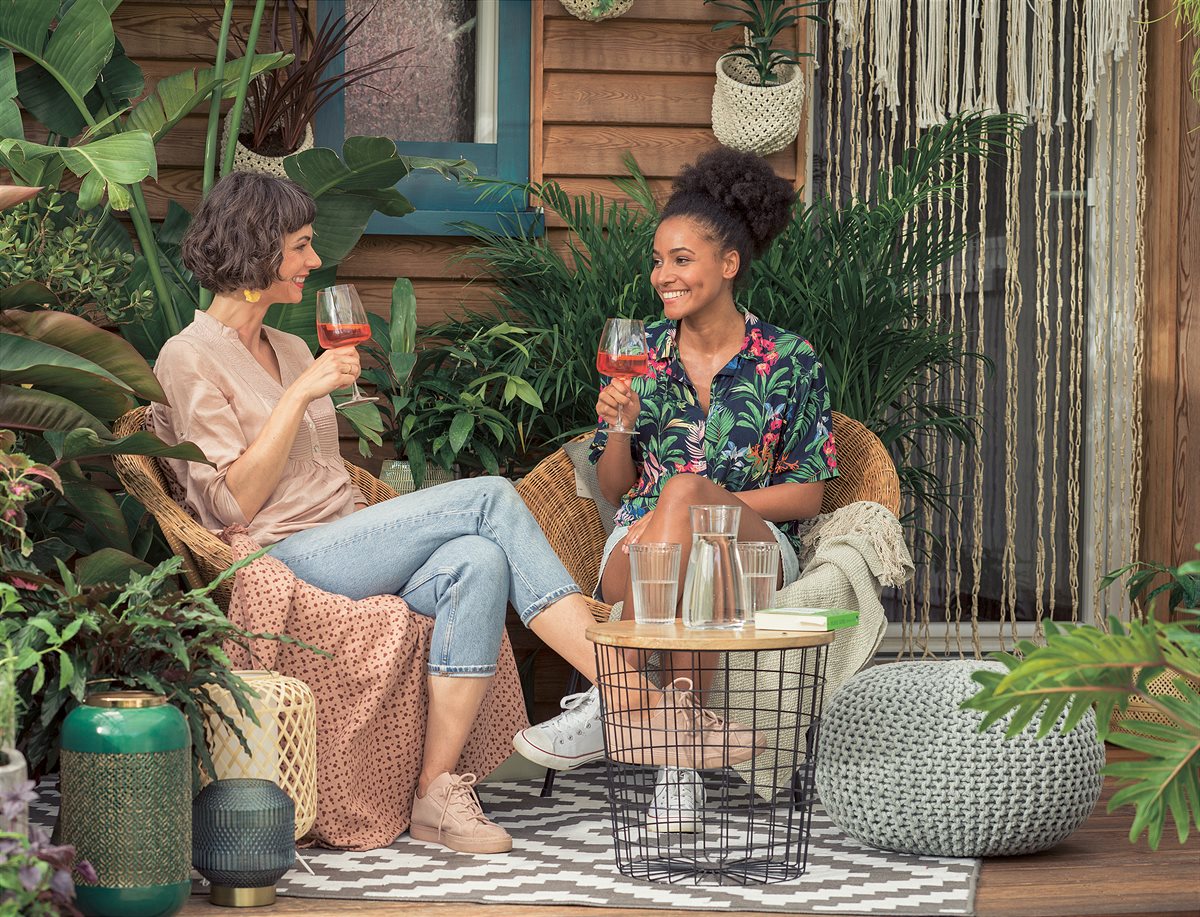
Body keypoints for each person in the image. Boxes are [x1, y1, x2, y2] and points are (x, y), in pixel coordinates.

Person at [154, 172, 753, 854]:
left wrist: (312, 387)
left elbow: (325, 477)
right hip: (278, 556)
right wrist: (303, 394)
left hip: (345, 541)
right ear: (257, 248)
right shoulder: (189, 355)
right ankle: (635, 696)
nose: (314, 261)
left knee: (479, 558)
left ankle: (437, 793)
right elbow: (231, 501)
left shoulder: (291, 347)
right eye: (301, 247)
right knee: (491, 495)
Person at [512, 148, 838, 832]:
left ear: (728, 264)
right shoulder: (641, 352)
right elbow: (612, 485)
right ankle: (679, 768)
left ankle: (615, 693)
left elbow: (808, 495)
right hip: (638, 551)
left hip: (753, 551)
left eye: (681, 259)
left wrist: (693, 505)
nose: (663, 275)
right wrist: (624, 430)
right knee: (682, 522)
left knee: (686, 496)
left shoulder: (792, 359)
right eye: (658, 260)